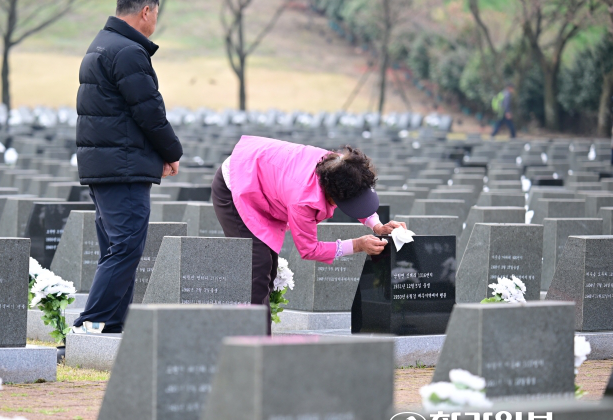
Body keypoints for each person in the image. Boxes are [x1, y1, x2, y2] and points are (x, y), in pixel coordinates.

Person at [212, 136, 407, 334]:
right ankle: (248, 343)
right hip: (237, 182)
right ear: (332, 194)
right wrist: (357, 245)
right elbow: (309, 249)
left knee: (266, 271)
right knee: (257, 269)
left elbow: (355, 194)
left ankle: (259, 340)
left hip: (262, 177)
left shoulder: (341, 167)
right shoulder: (303, 199)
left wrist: (377, 226)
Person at [72, 0, 182, 334]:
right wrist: (171, 152)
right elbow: (148, 110)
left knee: (118, 248)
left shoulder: (102, 43)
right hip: (122, 167)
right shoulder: (128, 51)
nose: (156, 20)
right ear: (146, 10)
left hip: (107, 164)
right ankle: (88, 328)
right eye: (157, 13)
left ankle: (111, 327)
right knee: (125, 247)